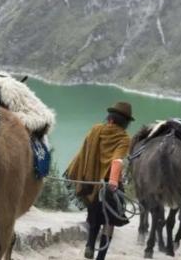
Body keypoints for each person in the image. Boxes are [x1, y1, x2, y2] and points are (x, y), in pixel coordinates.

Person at [65, 102, 134, 260]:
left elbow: (83, 153)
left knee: (94, 216)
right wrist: (113, 182)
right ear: (125, 123)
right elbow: (117, 160)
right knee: (109, 223)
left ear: (110, 119)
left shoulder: (96, 130)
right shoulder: (124, 138)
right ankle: (100, 257)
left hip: (91, 185)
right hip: (110, 187)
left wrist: (76, 173)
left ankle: (90, 245)